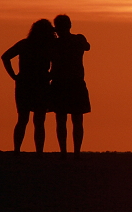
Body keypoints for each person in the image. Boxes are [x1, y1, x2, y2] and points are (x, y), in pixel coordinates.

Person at [2, 19, 56, 154]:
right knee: (38, 120)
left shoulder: (25, 44)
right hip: (39, 84)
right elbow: (5, 57)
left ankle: (17, 150)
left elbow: (6, 57)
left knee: (23, 119)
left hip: (25, 83)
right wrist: (51, 74)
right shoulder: (48, 47)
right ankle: (38, 152)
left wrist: (14, 75)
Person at [50, 14, 91, 159]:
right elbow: (87, 47)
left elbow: (87, 47)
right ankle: (76, 152)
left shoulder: (55, 43)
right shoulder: (78, 39)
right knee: (77, 119)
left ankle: (64, 151)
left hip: (61, 83)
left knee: (62, 120)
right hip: (75, 82)